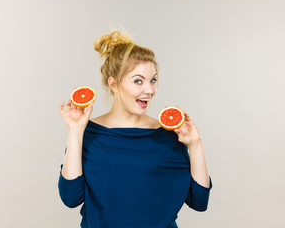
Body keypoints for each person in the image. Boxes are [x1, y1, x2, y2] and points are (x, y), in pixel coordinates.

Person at [58, 30, 213, 228]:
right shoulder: (87, 134)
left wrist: (196, 145)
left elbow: (199, 201)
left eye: (153, 80)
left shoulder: (168, 135)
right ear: (113, 83)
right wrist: (75, 132)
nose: (149, 90)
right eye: (138, 81)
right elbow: (70, 198)